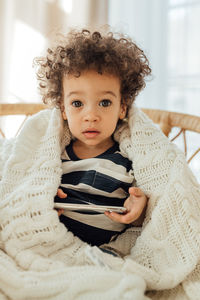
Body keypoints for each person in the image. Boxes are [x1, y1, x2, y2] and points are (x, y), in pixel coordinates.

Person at [34, 29, 151, 247]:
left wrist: (139, 208)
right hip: (52, 245)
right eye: (77, 104)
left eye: (104, 103)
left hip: (106, 253)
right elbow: (26, 187)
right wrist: (40, 196)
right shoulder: (53, 157)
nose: (91, 116)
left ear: (122, 107)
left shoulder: (128, 161)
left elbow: (148, 218)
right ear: (63, 109)